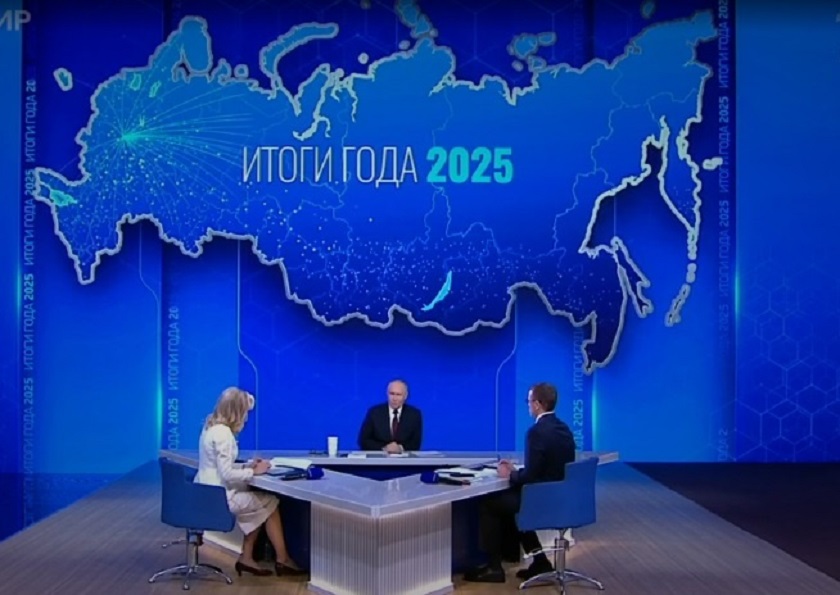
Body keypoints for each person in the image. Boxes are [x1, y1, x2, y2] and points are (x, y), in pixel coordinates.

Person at [464, 382, 576, 584]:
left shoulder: (536, 432)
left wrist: (509, 475)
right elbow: (546, 468)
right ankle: (540, 562)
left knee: (489, 504)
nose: (528, 405)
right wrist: (516, 471)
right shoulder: (564, 429)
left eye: (529, 401)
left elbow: (530, 477)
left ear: (538, 404)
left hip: (541, 499)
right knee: (512, 507)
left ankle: (494, 567)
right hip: (560, 497)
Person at [194, 387, 305, 578]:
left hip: (206, 492)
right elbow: (226, 474)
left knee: (260, 505)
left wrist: (247, 465)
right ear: (238, 411)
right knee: (270, 502)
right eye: (245, 411)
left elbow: (218, 466)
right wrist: (253, 472)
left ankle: (248, 557)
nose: (246, 417)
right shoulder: (224, 434)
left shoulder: (210, 428)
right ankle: (282, 559)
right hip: (220, 497)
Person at [357, 379, 423, 453]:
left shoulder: (414, 414)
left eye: (398, 394)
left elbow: (415, 443)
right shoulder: (374, 412)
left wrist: (400, 448)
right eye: (392, 394)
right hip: (379, 458)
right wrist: (384, 448)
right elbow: (363, 440)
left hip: (404, 458)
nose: (394, 398)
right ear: (387, 394)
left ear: (405, 396)